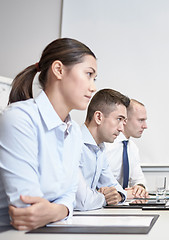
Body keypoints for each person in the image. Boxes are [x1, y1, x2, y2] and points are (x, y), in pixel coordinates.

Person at [0, 38, 97, 230]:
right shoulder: (19, 119)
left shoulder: (74, 132)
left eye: (94, 79)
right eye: (88, 74)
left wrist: (60, 210)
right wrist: (61, 208)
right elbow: (27, 208)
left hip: (48, 229)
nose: (93, 87)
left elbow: (70, 194)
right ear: (59, 70)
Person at [75, 89, 130, 211]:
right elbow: (82, 202)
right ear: (99, 117)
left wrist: (118, 196)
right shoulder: (74, 142)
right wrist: (104, 197)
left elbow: (115, 187)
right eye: (119, 119)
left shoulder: (99, 148)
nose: (121, 128)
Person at [105, 99, 148, 198]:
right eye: (141, 120)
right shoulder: (106, 144)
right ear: (125, 120)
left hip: (121, 203)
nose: (145, 126)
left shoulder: (132, 148)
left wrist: (140, 187)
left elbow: (138, 179)